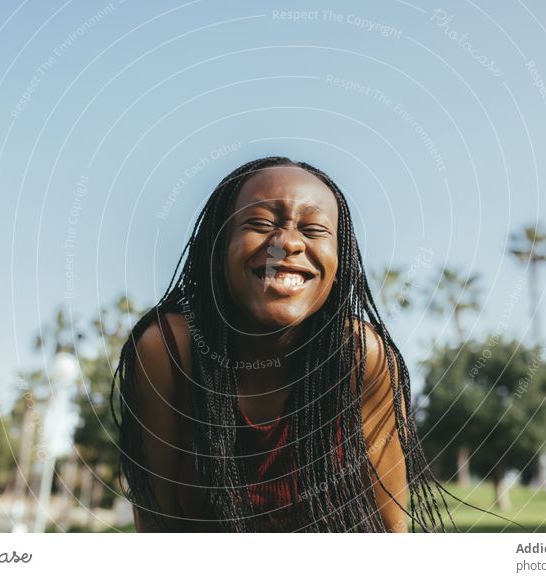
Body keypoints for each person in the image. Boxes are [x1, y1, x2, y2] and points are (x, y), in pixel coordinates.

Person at [111, 156, 459, 532]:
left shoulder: (361, 355)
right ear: (219, 243)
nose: (288, 242)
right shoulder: (167, 351)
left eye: (313, 230)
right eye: (260, 224)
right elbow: (158, 524)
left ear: (340, 260)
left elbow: (392, 530)